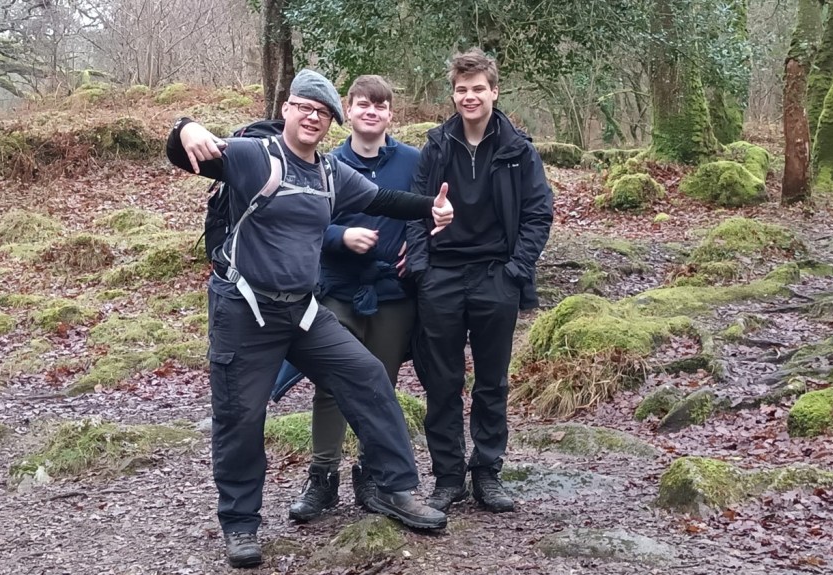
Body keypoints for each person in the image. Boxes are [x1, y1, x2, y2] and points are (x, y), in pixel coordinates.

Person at [165, 69, 450, 569]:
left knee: (366, 376)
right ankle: (240, 523)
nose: (314, 117)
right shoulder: (255, 156)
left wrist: (432, 207)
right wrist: (185, 126)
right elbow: (186, 153)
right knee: (240, 416)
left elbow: (383, 200)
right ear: (287, 109)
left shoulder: (330, 173)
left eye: (323, 113)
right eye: (305, 107)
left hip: (302, 309)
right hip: (244, 310)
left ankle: (394, 487)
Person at [404, 48, 553, 514]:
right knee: (442, 381)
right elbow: (414, 209)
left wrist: (516, 271)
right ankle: (448, 477)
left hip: (495, 276)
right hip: (442, 277)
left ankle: (487, 471)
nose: (470, 97)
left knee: (492, 382)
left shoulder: (518, 150)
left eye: (478, 89)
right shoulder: (436, 146)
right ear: (453, 94)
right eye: (461, 90)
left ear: (494, 92)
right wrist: (423, 270)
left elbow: (539, 213)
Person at [285, 75, 421, 522]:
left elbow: (430, 211)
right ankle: (322, 477)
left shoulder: (414, 161)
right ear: (348, 110)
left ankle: (373, 474)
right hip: (338, 291)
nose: (371, 112)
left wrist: (418, 246)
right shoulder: (327, 164)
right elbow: (302, 220)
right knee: (332, 382)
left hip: (393, 294)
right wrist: (341, 236)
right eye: (363, 104)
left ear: (390, 114)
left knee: (380, 385)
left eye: (380, 106)